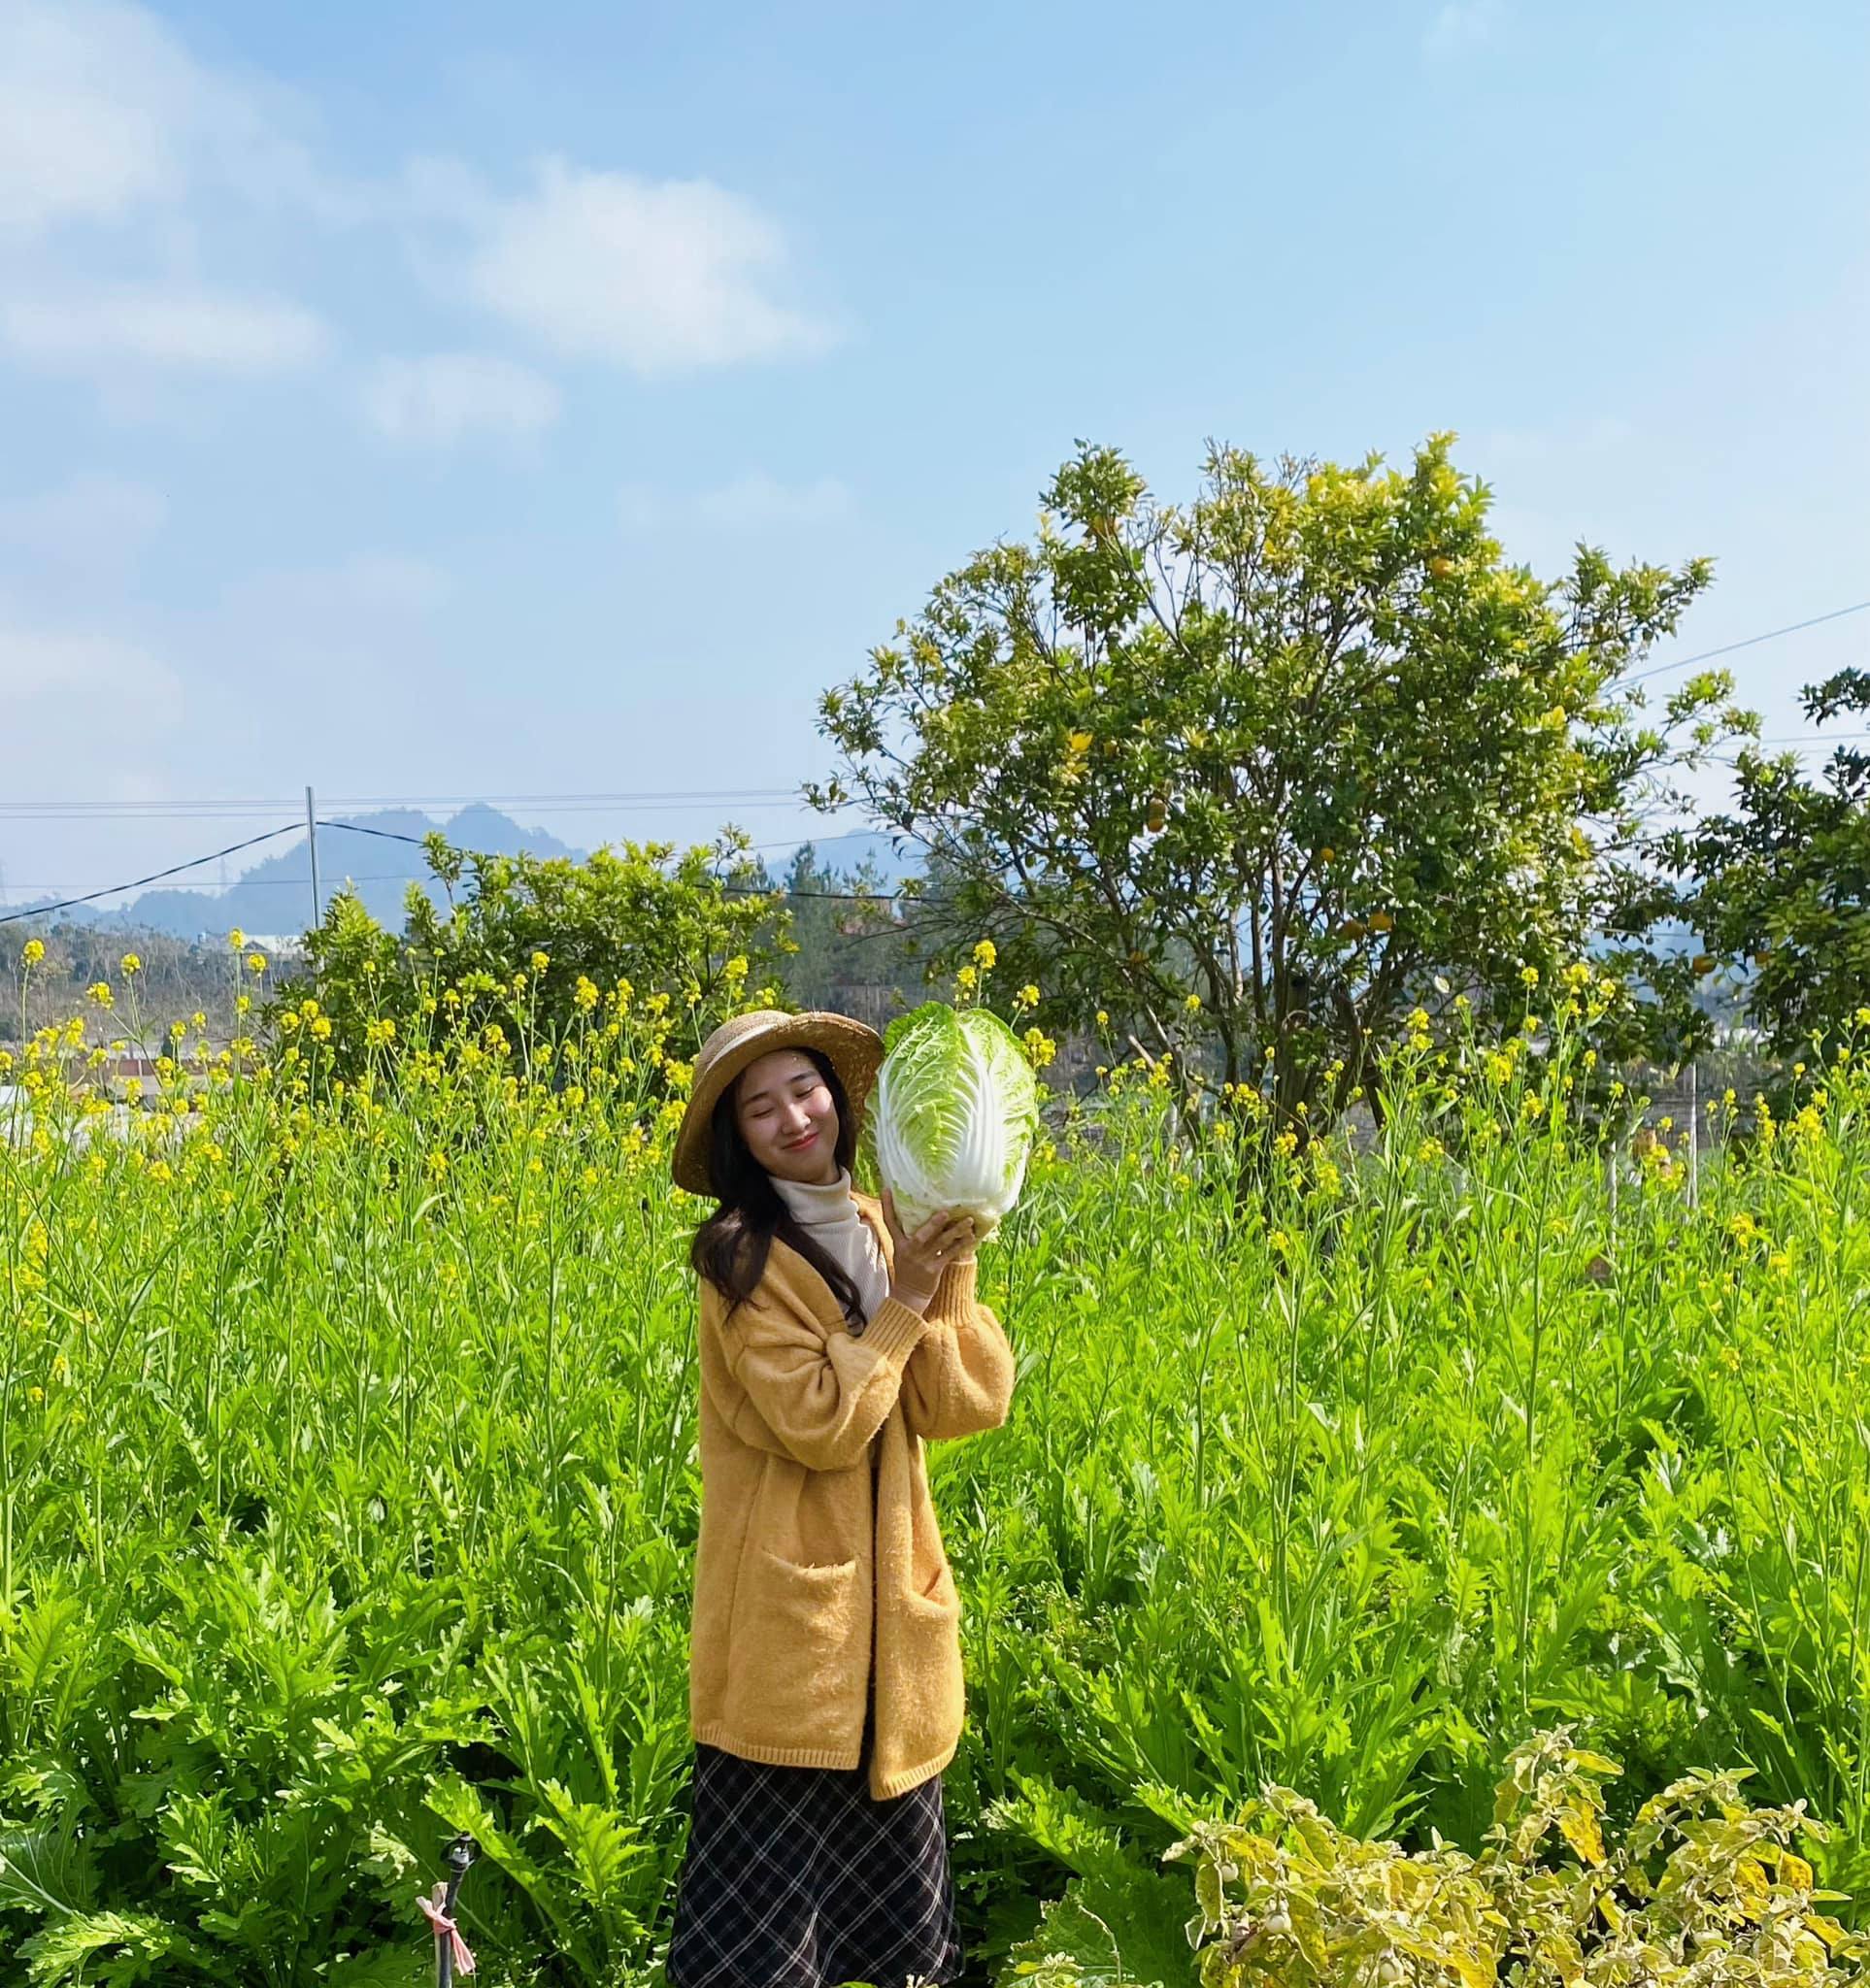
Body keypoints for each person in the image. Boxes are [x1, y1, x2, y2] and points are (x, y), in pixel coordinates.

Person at [661, 1008, 1018, 1988]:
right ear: (739, 1137)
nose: (793, 1117)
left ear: (837, 1095)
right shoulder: (739, 1258)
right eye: (760, 1106)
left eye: (804, 1088)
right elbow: (822, 1421)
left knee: (898, 1955)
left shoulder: (880, 1224)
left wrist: (948, 1271)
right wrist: (903, 1297)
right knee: (762, 1958)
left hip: (890, 1657)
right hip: (792, 1650)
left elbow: (962, 1402)